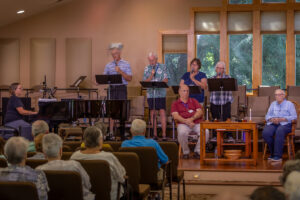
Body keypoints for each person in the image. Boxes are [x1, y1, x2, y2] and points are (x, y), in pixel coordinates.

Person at [70, 126, 126, 200]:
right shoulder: (109, 157)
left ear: (85, 140)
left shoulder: (74, 157)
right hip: (110, 197)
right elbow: (121, 177)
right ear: (99, 140)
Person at [37, 133, 95, 200]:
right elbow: (88, 185)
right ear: (61, 151)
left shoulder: (38, 171)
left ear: (44, 153)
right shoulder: (75, 165)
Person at [171, 84, 208, 159]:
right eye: (184, 91)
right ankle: (186, 152)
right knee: (181, 133)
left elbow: (200, 112)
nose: (186, 93)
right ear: (179, 92)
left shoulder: (194, 101)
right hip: (183, 124)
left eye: (187, 91)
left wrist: (191, 119)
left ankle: (197, 151)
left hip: (196, 123)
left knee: (206, 131)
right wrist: (186, 121)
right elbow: (175, 116)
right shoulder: (175, 103)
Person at [104, 43, 132, 138]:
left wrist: (120, 71)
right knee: (111, 110)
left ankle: (122, 132)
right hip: (112, 89)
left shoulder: (126, 64)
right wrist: (97, 81)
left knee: (122, 110)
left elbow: (129, 78)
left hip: (121, 88)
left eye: (115, 54)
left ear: (119, 53)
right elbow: (104, 77)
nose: (114, 56)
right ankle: (111, 132)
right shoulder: (108, 65)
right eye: (112, 55)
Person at [262, 89, 297, 162]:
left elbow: (294, 116)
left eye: (279, 94)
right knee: (266, 133)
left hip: (285, 124)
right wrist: (272, 119)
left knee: (279, 131)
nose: (277, 96)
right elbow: (267, 115)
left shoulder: (289, 104)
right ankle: (273, 153)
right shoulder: (273, 104)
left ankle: (278, 156)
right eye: (276, 95)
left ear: (283, 95)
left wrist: (283, 119)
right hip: (274, 123)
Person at [143, 52, 169, 140]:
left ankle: (164, 134)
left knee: (162, 112)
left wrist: (162, 81)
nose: (151, 62)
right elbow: (145, 82)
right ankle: (154, 134)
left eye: (152, 60)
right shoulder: (147, 68)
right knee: (153, 113)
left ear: (156, 59)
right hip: (151, 94)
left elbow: (166, 79)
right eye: (149, 60)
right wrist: (151, 75)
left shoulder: (163, 66)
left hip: (161, 93)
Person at [209, 61, 234, 142]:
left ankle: (229, 135)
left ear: (224, 70)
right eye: (218, 68)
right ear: (216, 69)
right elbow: (210, 89)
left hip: (225, 101)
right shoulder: (212, 78)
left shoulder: (228, 78)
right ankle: (215, 136)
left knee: (227, 118)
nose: (220, 70)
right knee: (215, 119)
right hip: (214, 101)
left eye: (222, 68)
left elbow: (231, 87)